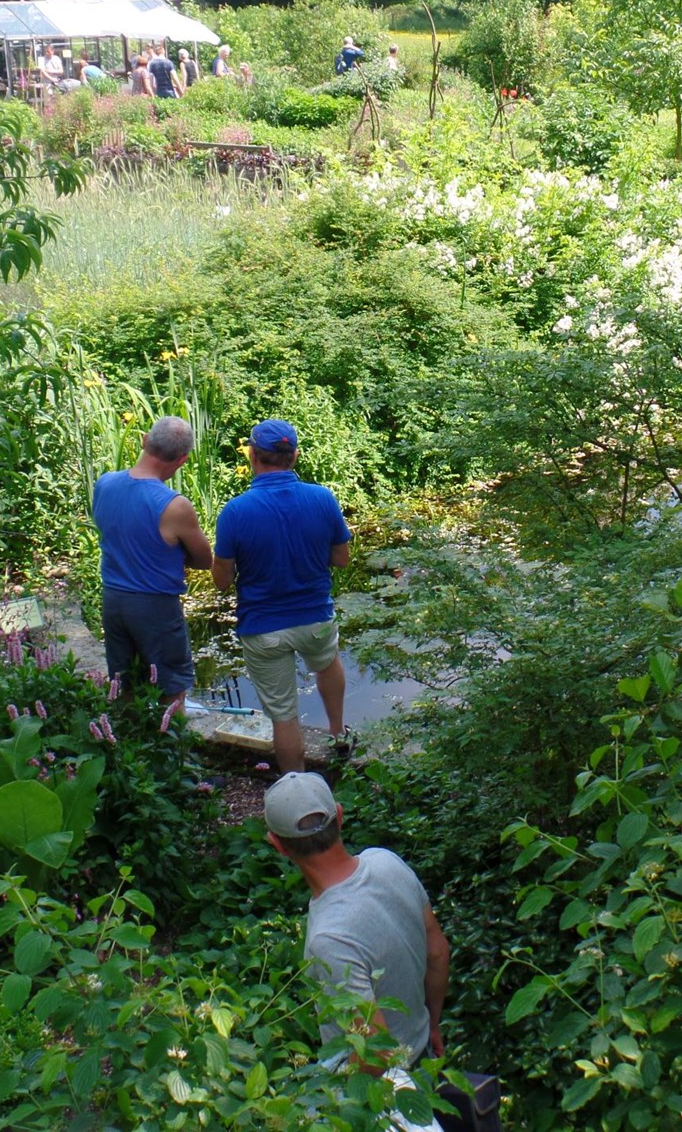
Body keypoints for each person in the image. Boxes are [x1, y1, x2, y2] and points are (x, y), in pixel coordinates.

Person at [263, 772, 450, 1073]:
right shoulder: (386, 861)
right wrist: (432, 1026)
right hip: (422, 1050)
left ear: (279, 845)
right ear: (339, 816)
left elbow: (375, 1056)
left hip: (387, 1088)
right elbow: (438, 951)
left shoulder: (328, 939)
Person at [212, 420, 352, 774]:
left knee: (284, 716)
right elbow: (341, 558)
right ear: (295, 456)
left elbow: (222, 582)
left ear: (253, 456)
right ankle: (338, 734)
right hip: (315, 619)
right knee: (327, 661)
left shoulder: (235, 511)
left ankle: (298, 789)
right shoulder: (322, 498)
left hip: (264, 629)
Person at [92, 416, 215, 709]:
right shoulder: (175, 505)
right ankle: (171, 751)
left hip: (113, 600)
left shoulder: (104, 484)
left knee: (124, 686)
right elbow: (204, 560)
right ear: (182, 460)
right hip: (155, 606)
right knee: (171, 690)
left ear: (145, 440)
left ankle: (126, 747)